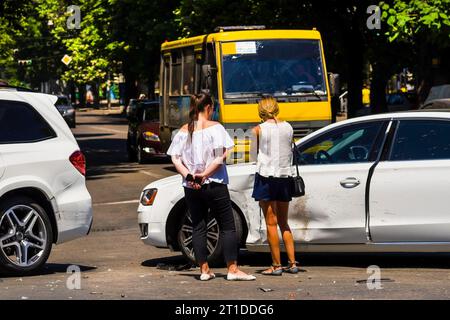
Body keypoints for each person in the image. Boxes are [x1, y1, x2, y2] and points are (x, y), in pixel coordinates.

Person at [167, 93, 256, 281]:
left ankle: (204, 270)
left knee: (198, 225)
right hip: (213, 183)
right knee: (227, 225)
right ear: (208, 107)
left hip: (191, 186)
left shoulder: (183, 130)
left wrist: (189, 175)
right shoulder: (215, 128)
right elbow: (220, 157)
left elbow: (175, 158)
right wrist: (204, 175)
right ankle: (232, 269)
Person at [251, 96, 299, 276]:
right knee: (284, 223)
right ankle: (293, 263)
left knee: (271, 223)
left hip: (266, 177)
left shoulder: (258, 130)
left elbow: (253, 155)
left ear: (261, 111)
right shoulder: (288, 127)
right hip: (285, 176)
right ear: (276, 108)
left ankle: (276, 265)